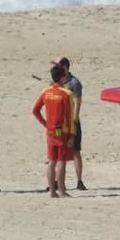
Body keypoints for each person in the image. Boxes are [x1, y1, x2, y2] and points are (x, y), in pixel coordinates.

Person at [32, 65, 76, 198]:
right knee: (61, 161)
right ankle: (61, 190)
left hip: (51, 131)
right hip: (62, 132)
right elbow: (69, 117)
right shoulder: (67, 93)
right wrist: (72, 135)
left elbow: (35, 110)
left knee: (52, 161)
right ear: (63, 77)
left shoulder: (46, 91)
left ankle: (52, 191)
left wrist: (46, 124)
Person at [51, 56, 87, 190]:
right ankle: (56, 181)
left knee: (76, 150)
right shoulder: (53, 81)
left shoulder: (74, 83)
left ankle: (79, 181)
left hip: (71, 122)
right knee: (58, 151)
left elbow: (78, 101)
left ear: (65, 67)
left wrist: (75, 119)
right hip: (59, 123)